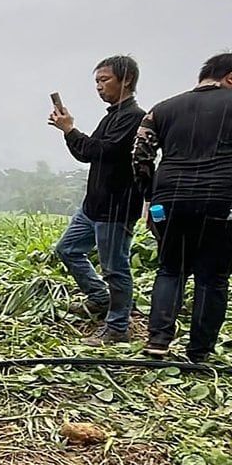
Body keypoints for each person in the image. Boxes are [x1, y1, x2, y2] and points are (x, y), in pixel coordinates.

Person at [133, 52, 232, 363]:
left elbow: (140, 156)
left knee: (170, 269)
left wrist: (149, 198)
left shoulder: (161, 109)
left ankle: (158, 342)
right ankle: (199, 353)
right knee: (213, 277)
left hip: (167, 203)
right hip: (222, 204)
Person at [47, 56, 146, 345]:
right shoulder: (112, 115)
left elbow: (100, 151)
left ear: (126, 79)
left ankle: (117, 327)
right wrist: (70, 131)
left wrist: (69, 129)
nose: (99, 87)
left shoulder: (133, 117)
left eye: (104, 80)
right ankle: (100, 299)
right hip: (94, 206)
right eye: (97, 82)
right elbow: (86, 152)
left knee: (115, 268)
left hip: (117, 207)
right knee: (67, 249)